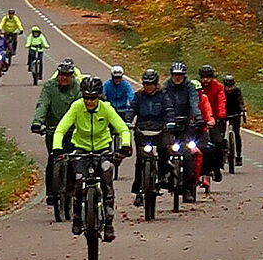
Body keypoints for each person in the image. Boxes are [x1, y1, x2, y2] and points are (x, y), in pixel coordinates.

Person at [53, 77, 130, 242]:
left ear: (99, 96)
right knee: (79, 181)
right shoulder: (76, 107)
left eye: (93, 98)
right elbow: (61, 129)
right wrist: (57, 147)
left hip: (103, 149)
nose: (89, 101)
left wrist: (125, 146)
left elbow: (123, 129)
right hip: (81, 149)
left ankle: (108, 224)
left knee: (107, 181)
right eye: (86, 97)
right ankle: (77, 217)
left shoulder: (106, 108)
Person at [32, 59, 83, 214]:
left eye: (67, 75)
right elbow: (43, 104)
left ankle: (74, 190)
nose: (64, 78)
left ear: (72, 76)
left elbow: (81, 107)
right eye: (62, 75)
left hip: (73, 130)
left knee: (74, 160)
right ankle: (51, 192)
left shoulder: (77, 88)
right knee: (53, 159)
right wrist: (38, 122)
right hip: (53, 130)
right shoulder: (50, 87)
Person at [129, 69, 172, 198]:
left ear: (155, 84)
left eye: (151, 84)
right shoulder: (138, 96)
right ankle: (138, 189)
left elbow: (169, 109)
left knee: (164, 150)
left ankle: (163, 175)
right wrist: (127, 121)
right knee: (140, 159)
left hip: (159, 128)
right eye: (146, 84)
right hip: (142, 129)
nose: (148, 87)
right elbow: (132, 109)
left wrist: (170, 121)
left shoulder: (163, 96)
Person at [163, 63, 207, 187]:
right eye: (175, 75)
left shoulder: (190, 87)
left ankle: (188, 186)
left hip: (185, 124)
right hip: (169, 123)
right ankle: (164, 176)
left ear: (184, 76)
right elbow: (164, 103)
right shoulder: (166, 87)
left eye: (180, 75)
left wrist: (198, 118)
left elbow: (194, 103)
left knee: (188, 153)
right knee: (164, 149)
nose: (177, 77)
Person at [197, 66, 227, 180]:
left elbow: (221, 101)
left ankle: (217, 168)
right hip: (199, 119)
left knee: (217, 142)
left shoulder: (218, 87)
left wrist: (221, 115)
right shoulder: (196, 87)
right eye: (203, 77)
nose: (205, 80)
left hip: (214, 118)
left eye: (208, 77)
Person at [221, 74, 246, 170]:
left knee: (236, 133)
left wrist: (242, 110)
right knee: (221, 133)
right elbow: (220, 102)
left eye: (231, 86)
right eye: (227, 87)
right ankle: (222, 153)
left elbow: (240, 101)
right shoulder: (222, 91)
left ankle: (238, 156)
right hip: (224, 113)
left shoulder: (237, 91)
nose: (229, 89)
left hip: (235, 112)